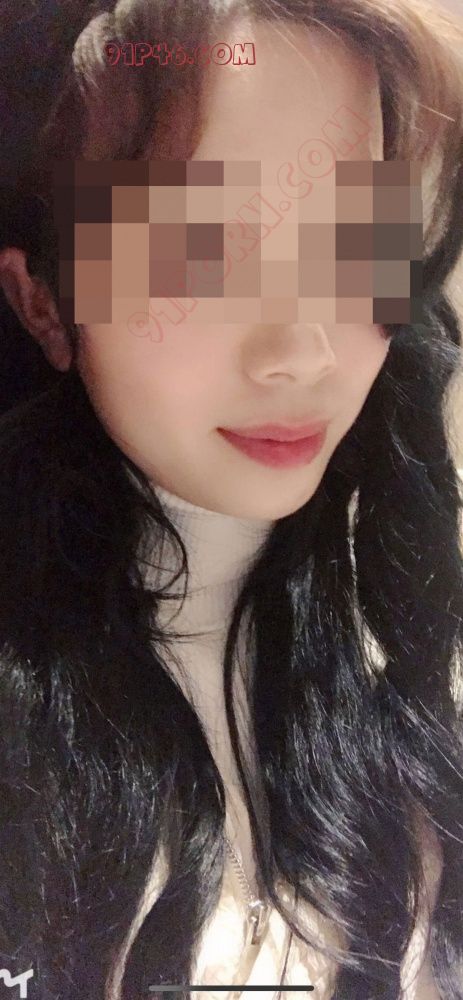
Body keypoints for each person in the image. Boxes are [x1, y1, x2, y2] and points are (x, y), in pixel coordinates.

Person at [0, 1, 463, 998]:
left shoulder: (395, 672)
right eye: (194, 253)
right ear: (42, 301)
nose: (302, 350)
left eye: (353, 245)